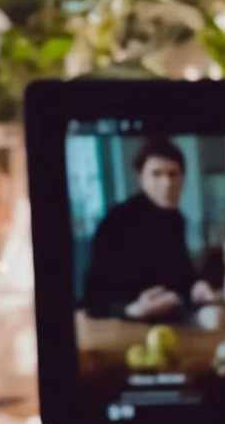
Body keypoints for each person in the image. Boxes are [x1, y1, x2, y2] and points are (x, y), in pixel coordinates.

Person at [83, 137, 217, 320]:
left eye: (173, 174)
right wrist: (131, 309)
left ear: (183, 179)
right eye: (156, 174)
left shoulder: (175, 219)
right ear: (140, 179)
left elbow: (181, 278)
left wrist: (196, 288)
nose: (167, 183)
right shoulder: (116, 222)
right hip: (125, 325)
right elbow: (93, 300)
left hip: (169, 321)